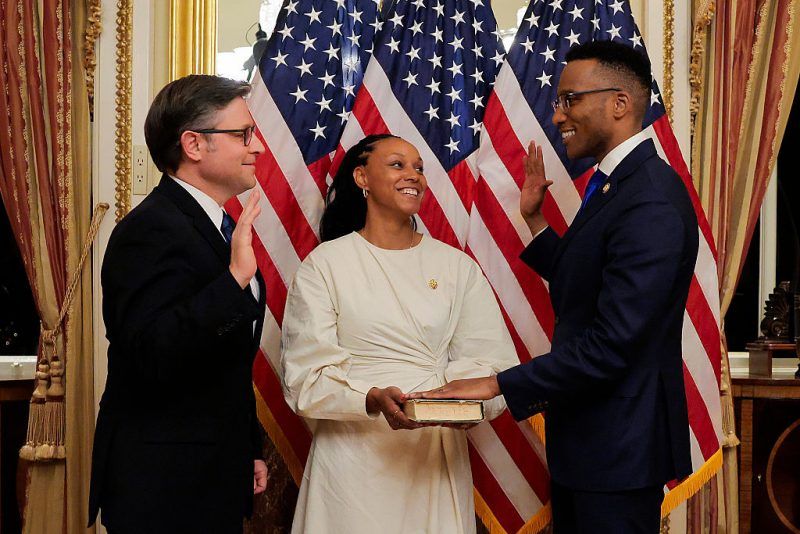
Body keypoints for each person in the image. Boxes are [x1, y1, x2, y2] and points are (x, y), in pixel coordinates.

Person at [409, 41, 698, 533]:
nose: (557, 113)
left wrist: (498, 383)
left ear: (619, 104)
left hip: (619, 451)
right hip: (592, 444)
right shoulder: (618, 184)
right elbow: (590, 281)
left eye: (570, 99)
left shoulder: (650, 198)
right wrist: (536, 220)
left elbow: (611, 345)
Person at [280, 134, 518, 534]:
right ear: (362, 177)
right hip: (353, 459)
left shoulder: (457, 267)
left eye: (420, 168)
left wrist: (459, 404)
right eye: (397, 165)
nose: (414, 176)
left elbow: (494, 364)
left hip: (432, 453)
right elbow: (305, 377)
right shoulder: (326, 265)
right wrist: (370, 399)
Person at [88, 75, 269, 533]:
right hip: (163, 486)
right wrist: (234, 280)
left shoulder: (219, 226)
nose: (258, 148)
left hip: (213, 476)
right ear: (193, 144)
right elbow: (150, 352)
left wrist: (246, 447)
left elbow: (224, 361)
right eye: (243, 134)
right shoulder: (148, 229)